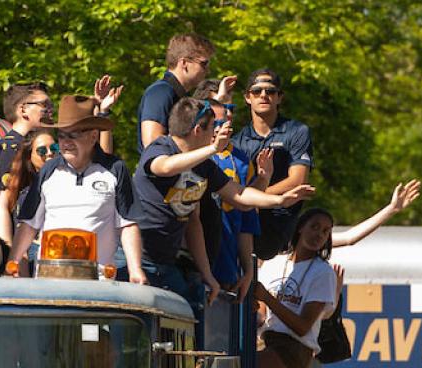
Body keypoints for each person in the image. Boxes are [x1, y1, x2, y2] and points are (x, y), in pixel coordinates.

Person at [130, 97, 314, 316]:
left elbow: (238, 195)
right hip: (138, 260)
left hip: (167, 264)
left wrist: (280, 200)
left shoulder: (203, 167)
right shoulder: (161, 147)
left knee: (189, 321)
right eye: (213, 128)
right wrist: (213, 150)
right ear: (198, 129)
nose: (215, 135)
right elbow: (164, 167)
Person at [10, 95, 145, 282]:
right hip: (49, 278)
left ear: (93, 136)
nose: (65, 142)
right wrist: (13, 263)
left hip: (98, 280)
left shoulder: (115, 169)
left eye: (74, 135)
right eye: (62, 135)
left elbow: (128, 224)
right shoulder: (49, 171)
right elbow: (28, 225)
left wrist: (135, 270)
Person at [253, 208, 339, 368]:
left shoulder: (323, 272)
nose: (319, 234)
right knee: (231, 361)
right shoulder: (274, 262)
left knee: (247, 364)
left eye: (325, 231)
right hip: (266, 341)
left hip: (294, 352)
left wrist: (267, 297)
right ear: (300, 228)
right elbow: (261, 312)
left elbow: (303, 327)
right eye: (314, 227)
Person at [233, 69, 314, 261]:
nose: (263, 95)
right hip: (247, 226)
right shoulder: (237, 141)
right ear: (247, 97)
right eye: (256, 91)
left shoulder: (297, 131)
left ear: (279, 97)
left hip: (283, 229)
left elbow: (297, 180)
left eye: (270, 91)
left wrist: (253, 197)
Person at [136, 33, 229, 153]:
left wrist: (218, 102)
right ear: (184, 63)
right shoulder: (160, 92)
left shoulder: (179, 95)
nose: (208, 70)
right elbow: (151, 144)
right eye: (204, 64)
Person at [0, 129, 54, 257]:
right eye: (42, 151)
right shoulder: (26, 195)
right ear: (29, 157)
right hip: (36, 255)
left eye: (54, 148)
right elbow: (22, 246)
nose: (50, 154)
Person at [0, 83, 52, 190]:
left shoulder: (43, 142)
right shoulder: (9, 148)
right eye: (44, 105)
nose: (50, 110)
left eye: (51, 105)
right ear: (24, 110)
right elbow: (5, 200)